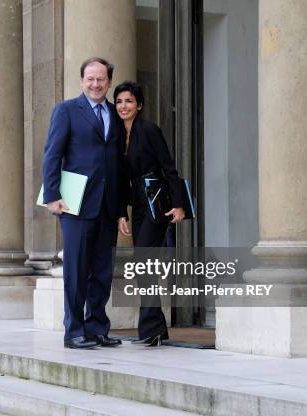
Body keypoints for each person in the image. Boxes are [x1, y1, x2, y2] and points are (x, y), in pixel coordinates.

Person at [42, 57, 123, 349]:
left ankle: (97, 328)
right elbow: (52, 153)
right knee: (76, 270)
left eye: (101, 79)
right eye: (90, 78)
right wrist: (52, 195)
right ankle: (74, 331)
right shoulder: (66, 110)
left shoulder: (114, 115)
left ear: (109, 81)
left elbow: (117, 164)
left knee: (102, 270)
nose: (96, 84)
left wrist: (121, 207)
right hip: (75, 204)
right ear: (82, 81)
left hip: (107, 206)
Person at [114, 81, 185, 347]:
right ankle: (156, 329)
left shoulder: (149, 130)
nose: (124, 106)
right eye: (119, 101)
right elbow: (120, 179)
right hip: (138, 203)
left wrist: (178, 205)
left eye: (129, 101)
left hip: (158, 198)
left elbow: (169, 168)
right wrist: (122, 213)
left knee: (144, 262)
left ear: (139, 105)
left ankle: (151, 329)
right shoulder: (118, 136)